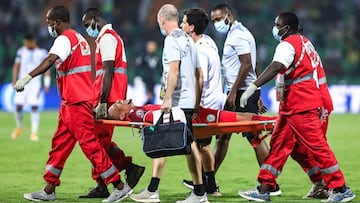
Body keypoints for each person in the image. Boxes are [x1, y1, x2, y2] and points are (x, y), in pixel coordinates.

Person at [15, 5, 132, 202]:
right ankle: (49, 189)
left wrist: (27, 77)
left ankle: (118, 185)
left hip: (76, 101)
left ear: (57, 22)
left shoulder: (64, 39)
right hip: (73, 100)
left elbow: (51, 59)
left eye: (49, 23)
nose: (48, 26)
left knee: (90, 145)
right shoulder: (79, 39)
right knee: (60, 144)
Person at [238, 12, 356, 202]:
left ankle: (340, 188)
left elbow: (276, 66)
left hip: (301, 104)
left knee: (317, 147)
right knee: (280, 146)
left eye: (277, 25)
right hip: (293, 104)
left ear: (287, 28)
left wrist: (253, 85)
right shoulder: (304, 42)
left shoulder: (287, 44)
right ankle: (264, 188)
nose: (274, 28)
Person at [129, 4, 208, 203]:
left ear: (163, 20)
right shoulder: (189, 41)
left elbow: (173, 70)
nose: (159, 26)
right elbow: (200, 76)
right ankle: (154, 189)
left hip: (177, 101)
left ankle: (199, 193)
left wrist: (167, 98)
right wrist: (196, 103)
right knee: (166, 141)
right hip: (187, 101)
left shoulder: (171, 40)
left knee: (186, 146)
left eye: (158, 22)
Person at [210, 4, 280, 195]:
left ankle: (270, 184)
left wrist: (234, 92)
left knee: (254, 137)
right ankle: (208, 180)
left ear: (228, 16)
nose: (216, 23)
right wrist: (256, 90)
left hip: (239, 93)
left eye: (218, 19)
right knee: (223, 135)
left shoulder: (238, 35)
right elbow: (254, 63)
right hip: (243, 92)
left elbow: (246, 63)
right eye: (213, 20)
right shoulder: (239, 32)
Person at [79, 8, 145, 199]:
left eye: (86, 25)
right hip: (109, 97)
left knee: (94, 142)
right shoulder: (109, 38)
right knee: (100, 142)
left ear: (95, 20)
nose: (86, 30)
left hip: (109, 100)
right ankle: (103, 182)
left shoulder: (107, 38)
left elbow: (108, 72)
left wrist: (102, 102)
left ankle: (126, 168)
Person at [180, 8, 225, 196]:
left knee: (195, 145)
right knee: (202, 145)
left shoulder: (198, 50)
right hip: (214, 100)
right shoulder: (209, 42)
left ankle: (202, 187)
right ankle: (210, 185)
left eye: (183, 22)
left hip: (204, 104)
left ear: (191, 27)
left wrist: (195, 106)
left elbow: (200, 80)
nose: (181, 25)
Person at [11, 33, 50, 142]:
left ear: (33, 41)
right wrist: (14, 81)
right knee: (18, 105)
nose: (27, 43)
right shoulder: (21, 51)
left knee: (34, 106)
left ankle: (34, 133)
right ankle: (19, 127)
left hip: (35, 84)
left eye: (29, 41)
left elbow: (46, 69)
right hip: (22, 82)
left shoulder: (41, 53)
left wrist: (46, 83)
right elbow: (16, 66)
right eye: (25, 41)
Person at [107, 99, 276, 124]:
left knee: (235, 117)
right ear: (122, 115)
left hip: (187, 111)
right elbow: (157, 117)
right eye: (116, 105)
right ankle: (273, 121)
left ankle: (272, 120)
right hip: (189, 116)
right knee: (234, 118)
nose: (119, 100)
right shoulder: (136, 114)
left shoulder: (137, 110)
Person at [134, 40, 161, 104]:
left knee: (157, 100)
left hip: (154, 82)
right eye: (150, 46)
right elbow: (137, 68)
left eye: (153, 46)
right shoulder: (142, 56)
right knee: (142, 100)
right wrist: (138, 77)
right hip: (143, 82)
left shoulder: (157, 57)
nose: (151, 48)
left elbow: (160, 69)